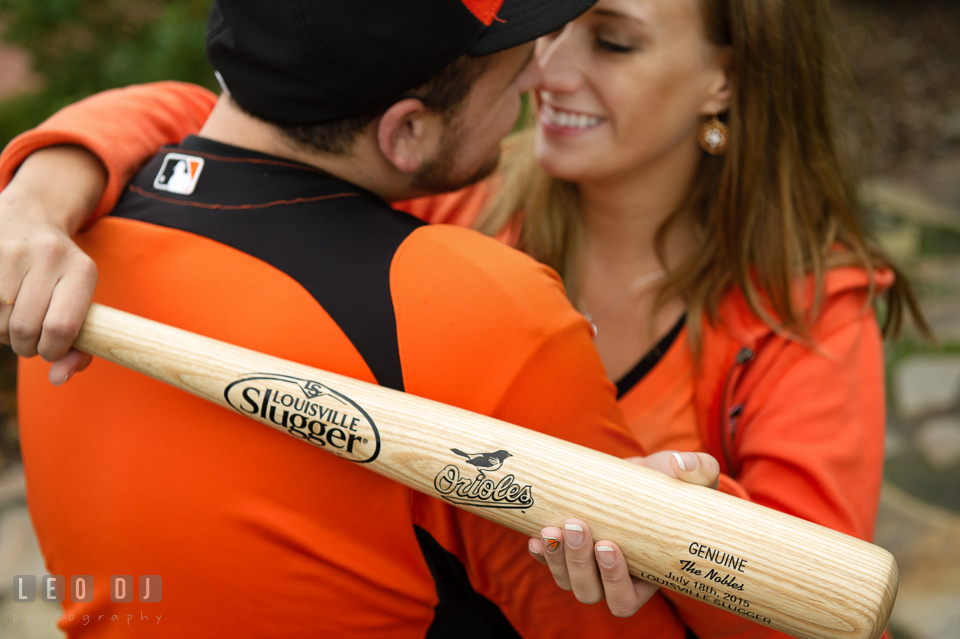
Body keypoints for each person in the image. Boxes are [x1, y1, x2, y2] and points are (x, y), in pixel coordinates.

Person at [0, 0, 922, 636]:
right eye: (554, 34)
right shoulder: (472, 208)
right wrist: (42, 188)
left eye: (616, 42)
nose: (544, 66)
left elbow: (817, 601)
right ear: (405, 134)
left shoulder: (806, 311)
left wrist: (678, 523)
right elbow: (236, 122)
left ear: (725, 81)